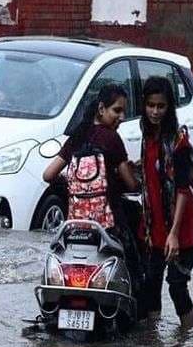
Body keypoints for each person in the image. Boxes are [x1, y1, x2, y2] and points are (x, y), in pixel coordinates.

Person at [42, 84, 140, 278]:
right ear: (101, 109)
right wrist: (133, 173)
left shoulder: (76, 138)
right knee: (136, 268)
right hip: (109, 227)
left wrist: (72, 184)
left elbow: (48, 175)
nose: (121, 117)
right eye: (117, 110)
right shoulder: (112, 139)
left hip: (75, 228)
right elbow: (131, 185)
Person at [136, 76, 193, 329]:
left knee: (177, 287)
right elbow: (152, 173)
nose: (155, 111)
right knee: (151, 283)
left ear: (169, 107)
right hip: (153, 226)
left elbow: (183, 189)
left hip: (179, 229)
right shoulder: (147, 135)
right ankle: (154, 345)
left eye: (161, 106)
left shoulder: (178, 140)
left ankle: (187, 339)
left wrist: (173, 234)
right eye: (151, 105)